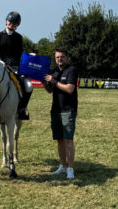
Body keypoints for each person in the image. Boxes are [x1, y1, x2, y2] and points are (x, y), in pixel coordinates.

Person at [44, 47, 78, 179]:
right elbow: (50, 90)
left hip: (68, 110)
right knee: (59, 140)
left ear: (67, 58)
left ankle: (70, 169)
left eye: (62, 57)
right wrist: (45, 83)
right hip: (56, 110)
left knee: (68, 140)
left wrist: (54, 81)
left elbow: (69, 89)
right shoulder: (54, 71)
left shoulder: (72, 70)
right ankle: (62, 166)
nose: (59, 59)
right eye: (57, 57)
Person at [0, 11, 32, 120]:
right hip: (0, 65)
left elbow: (20, 54)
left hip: (15, 67)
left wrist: (29, 58)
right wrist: (1, 62)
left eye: (14, 23)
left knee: (28, 85)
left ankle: (22, 109)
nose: (11, 24)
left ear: (17, 25)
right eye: (10, 22)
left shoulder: (19, 37)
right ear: (6, 21)